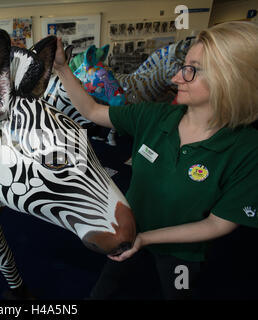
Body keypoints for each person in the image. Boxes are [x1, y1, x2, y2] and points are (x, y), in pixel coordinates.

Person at [53, 21, 258, 299]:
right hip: (128, 231)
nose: (175, 79)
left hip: (183, 250)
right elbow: (91, 110)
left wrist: (147, 239)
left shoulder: (247, 149)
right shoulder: (152, 116)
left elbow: (217, 224)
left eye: (191, 70)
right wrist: (62, 69)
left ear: (229, 79)